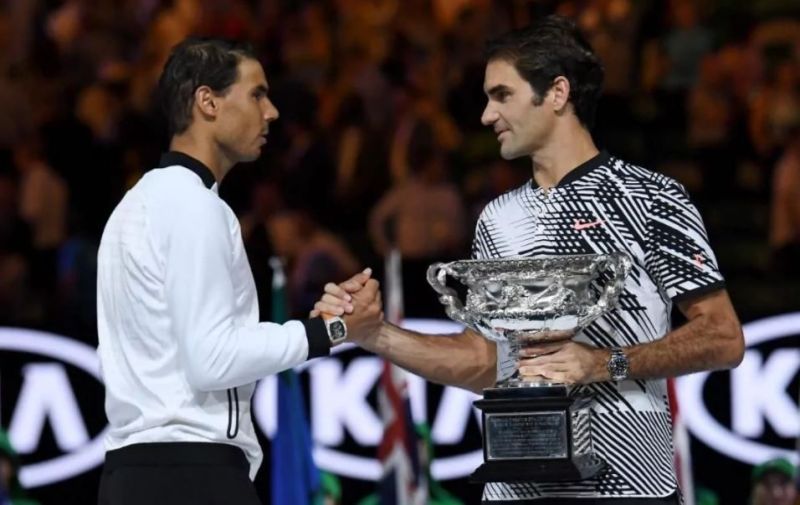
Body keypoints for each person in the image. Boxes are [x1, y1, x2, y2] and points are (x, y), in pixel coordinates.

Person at [316, 15, 744, 504]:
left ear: (557, 93)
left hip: (628, 487)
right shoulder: (496, 219)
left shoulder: (650, 197)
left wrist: (603, 363)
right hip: (515, 489)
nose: (485, 115)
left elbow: (724, 337)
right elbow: (486, 362)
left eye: (502, 95)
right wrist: (375, 333)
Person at [95, 38, 383, 505]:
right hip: (192, 477)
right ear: (207, 101)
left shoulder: (135, 205)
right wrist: (332, 329)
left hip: (132, 474)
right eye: (256, 94)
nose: (270, 112)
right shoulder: (193, 204)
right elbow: (212, 358)